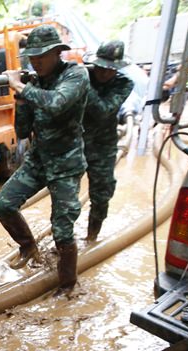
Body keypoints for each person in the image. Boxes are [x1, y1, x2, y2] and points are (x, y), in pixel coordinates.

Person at [0, 24, 89, 296]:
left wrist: (21, 88)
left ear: (58, 52)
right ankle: (28, 246)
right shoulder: (34, 82)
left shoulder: (75, 74)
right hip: (39, 160)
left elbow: (58, 103)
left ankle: (69, 285)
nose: (35, 61)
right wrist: (20, 99)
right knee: (3, 205)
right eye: (32, 56)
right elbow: (23, 131)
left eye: (41, 56)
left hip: (67, 163)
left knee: (62, 229)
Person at [81, 41, 134, 241]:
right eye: (101, 67)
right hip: (74, 144)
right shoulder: (82, 74)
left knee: (102, 194)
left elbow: (103, 110)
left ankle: (91, 238)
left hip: (103, 146)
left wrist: (83, 84)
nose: (104, 73)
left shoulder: (123, 83)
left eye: (110, 69)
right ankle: (64, 241)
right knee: (65, 196)